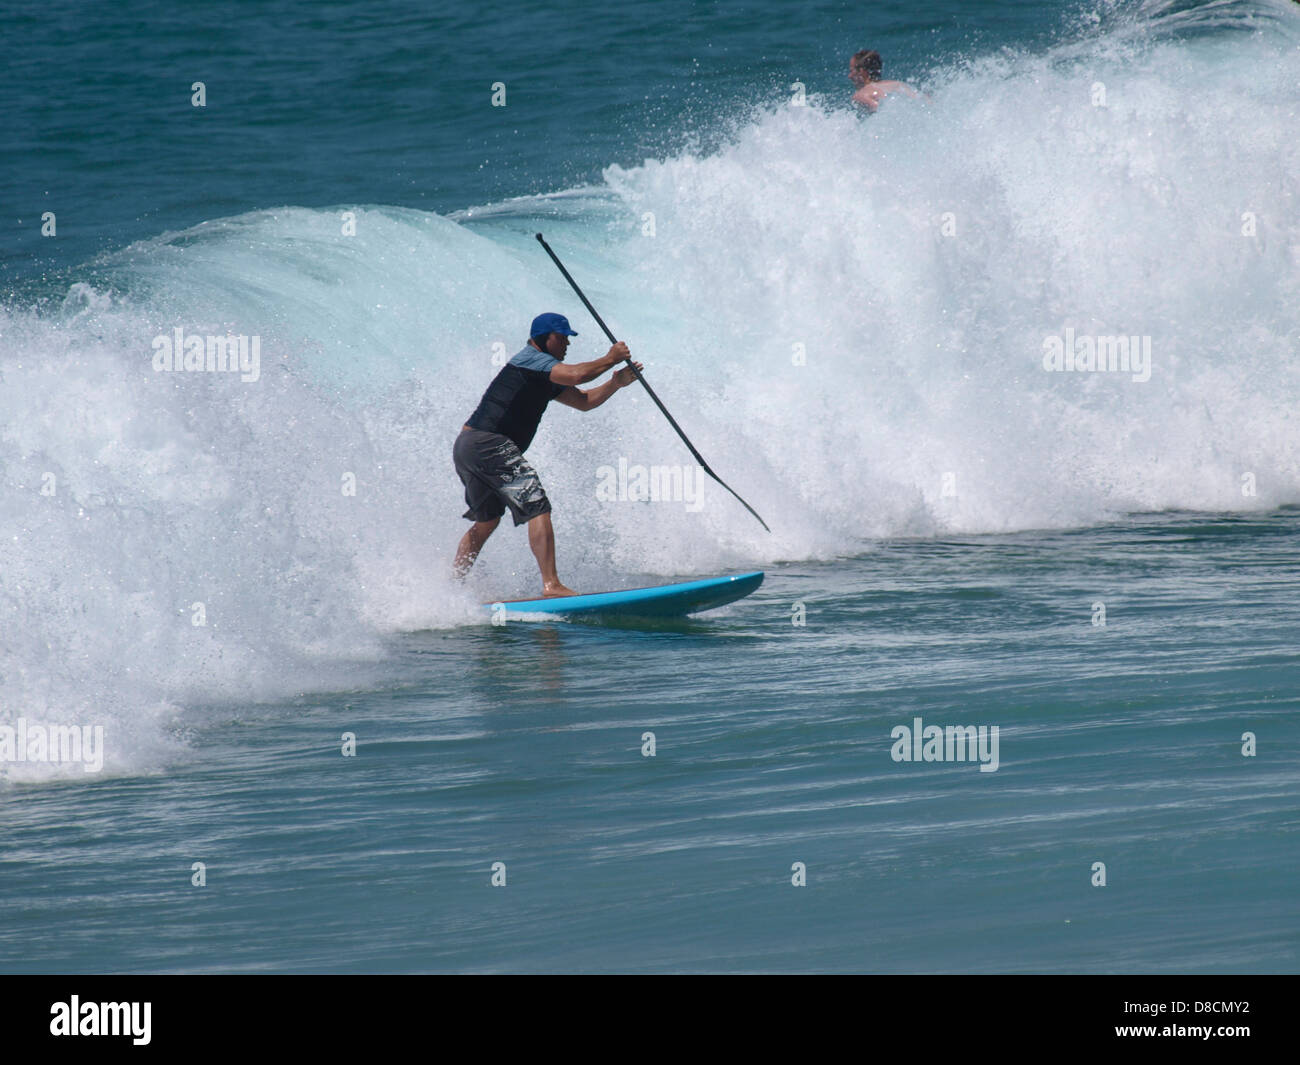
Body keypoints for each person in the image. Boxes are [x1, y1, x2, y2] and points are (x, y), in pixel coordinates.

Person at [452, 312, 642, 597]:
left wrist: (615, 382)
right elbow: (578, 373)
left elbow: (585, 401)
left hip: (469, 446)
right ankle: (551, 585)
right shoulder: (531, 359)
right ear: (545, 338)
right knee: (537, 505)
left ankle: (451, 585)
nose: (567, 343)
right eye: (562, 337)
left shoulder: (545, 374)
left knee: (488, 520)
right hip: (487, 443)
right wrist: (610, 357)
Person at [849, 49, 920, 112]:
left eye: (851, 71)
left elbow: (883, 112)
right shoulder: (897, 84)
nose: (849, 76)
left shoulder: (861, 95)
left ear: (861, 71)